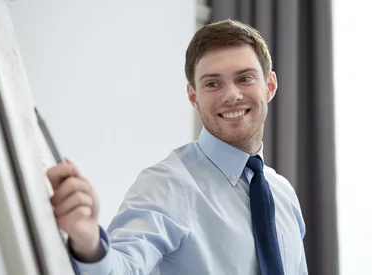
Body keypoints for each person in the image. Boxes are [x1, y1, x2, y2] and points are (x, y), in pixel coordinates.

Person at [46, 19, 308, 275]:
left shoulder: (284, 194)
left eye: (245, 78)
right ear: (194, 97)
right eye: (212, 84)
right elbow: (122, 266)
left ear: (270, 86)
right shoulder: (166, 184)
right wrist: (89, 242)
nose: (231, 95)